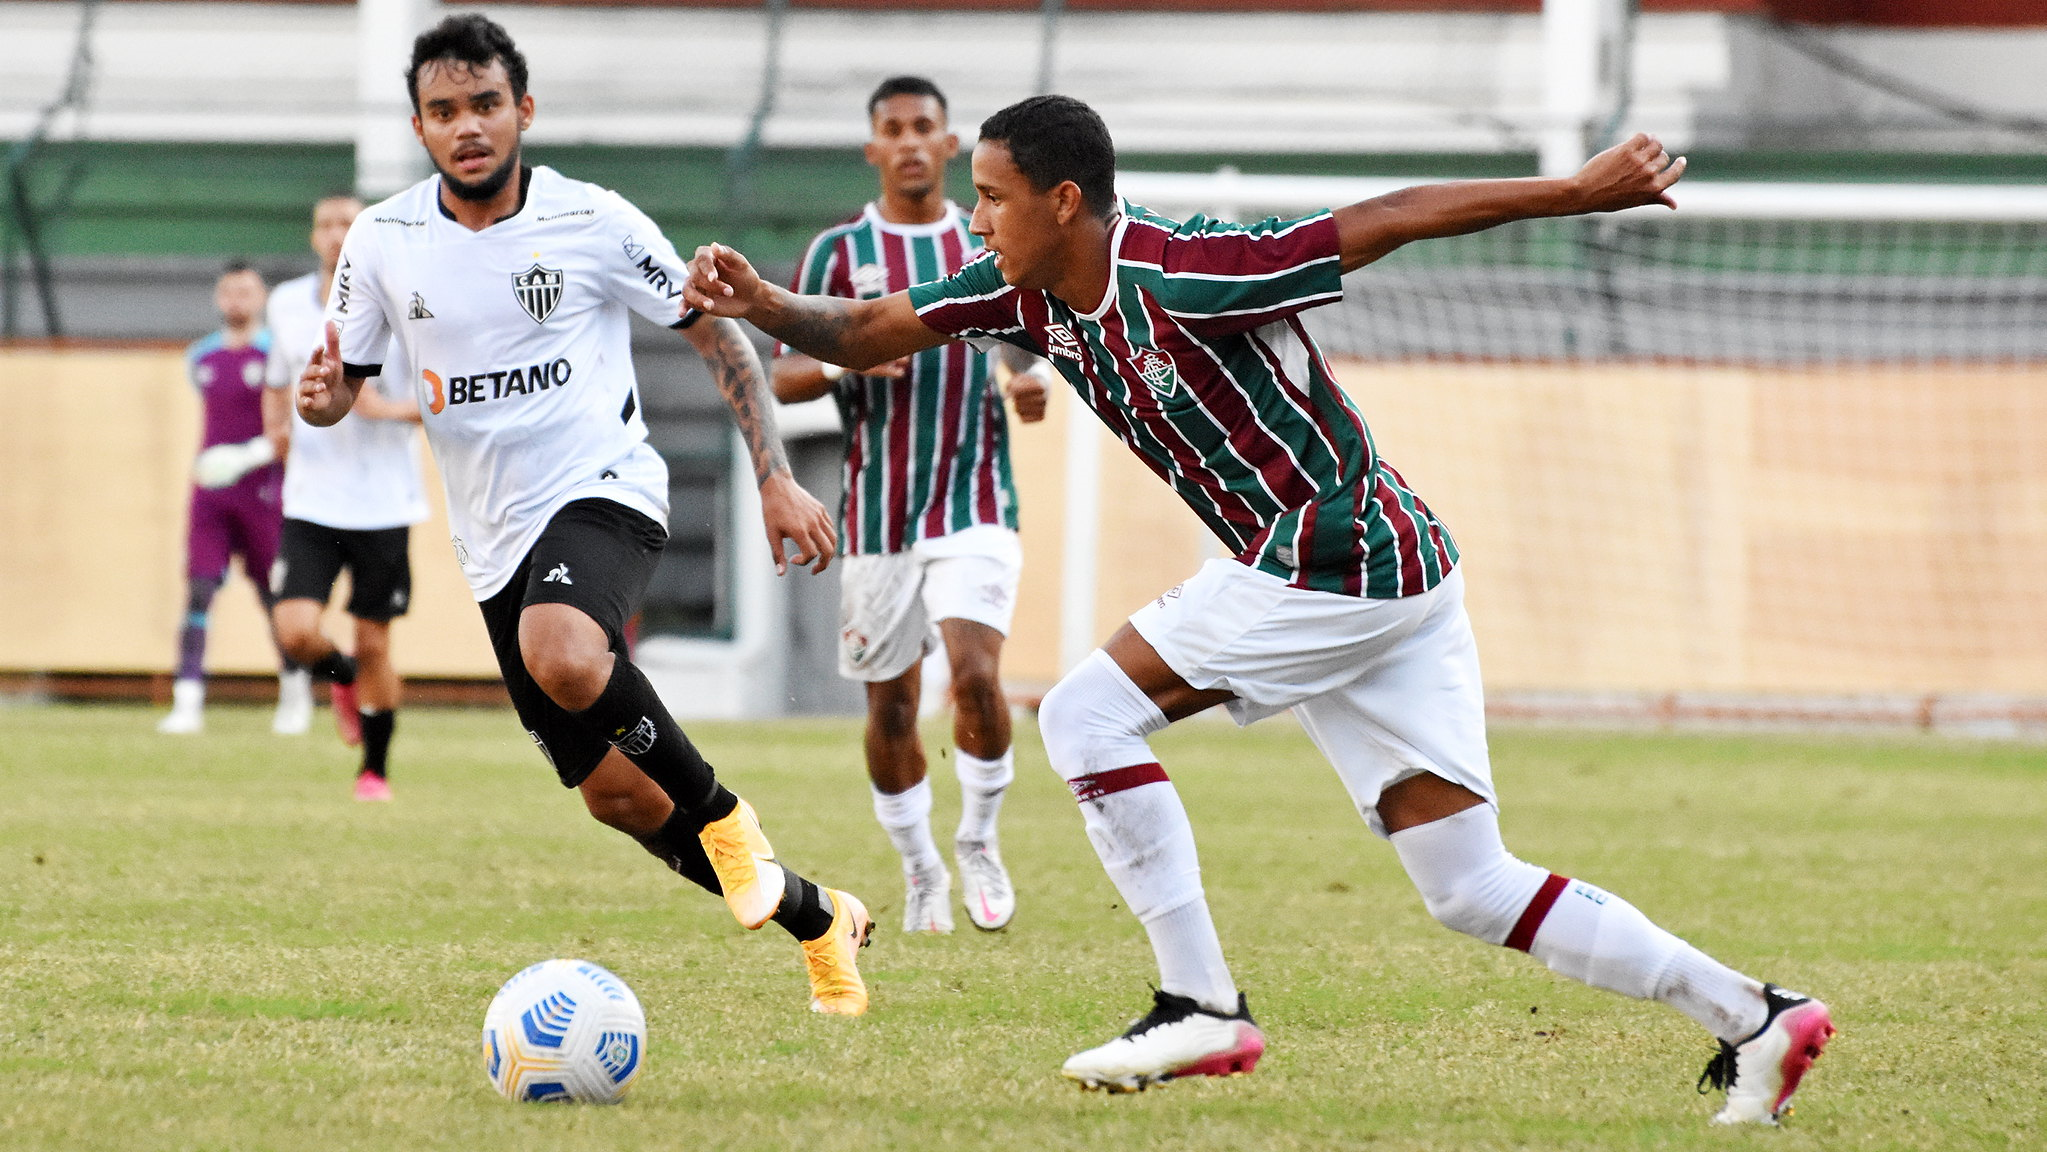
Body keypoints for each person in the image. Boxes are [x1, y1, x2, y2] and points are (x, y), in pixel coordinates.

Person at [683, 95, 1835, 1120]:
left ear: (1063, 200)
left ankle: (1200, 1002)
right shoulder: (1019, 294)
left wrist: (1578, 191)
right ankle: (1755, 1017)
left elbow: (1385, 218)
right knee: (1470, 888)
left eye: (990, 198)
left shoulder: (1186, 268)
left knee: (1083, 717)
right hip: (1390, 577)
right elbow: (867, 329)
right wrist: (764, 301)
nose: (973, 219)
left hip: (1330, 561)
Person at [296, 14, 872, 1013]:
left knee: (562, 653)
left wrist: (773, 473)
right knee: (616, 797)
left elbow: (716, 338)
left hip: (603, 490)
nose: (467, 126)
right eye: (443, 112)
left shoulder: (593, 219)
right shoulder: (383, 241)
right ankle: (817, 917)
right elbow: (343, 377)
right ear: (421, 126)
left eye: (484, 104)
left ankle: (727, 821)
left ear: (522, 109)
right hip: (492, 542)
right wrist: (324, 400)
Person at [771, 76, 1051, 935]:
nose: (908, 143)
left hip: (974, 498)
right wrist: (843, 360)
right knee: (891, 707)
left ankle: (977, 839)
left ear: (949, 142)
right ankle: (919, 866)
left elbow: (1022, 342)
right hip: (878, 517)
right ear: (872, 149)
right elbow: (783, 375)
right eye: (891, 129)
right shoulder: (836, 254)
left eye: (923, 127)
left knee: (973, 675)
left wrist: (1028, 381)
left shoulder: (988, 236)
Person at [264, 193, 429, 800]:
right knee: (296, 631)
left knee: (375, 640)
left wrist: (385, 409)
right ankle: (342, 679)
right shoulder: (284, 305)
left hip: (385, 504)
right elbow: (278, 383)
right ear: (313, 236)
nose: (338, 235)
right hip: (311, 501)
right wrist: (276, 429)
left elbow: (442, 395)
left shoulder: (402, 305)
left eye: (349, 225)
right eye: (327, 224)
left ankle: (374, 771)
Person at [159, 263, 305, 736]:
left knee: (273, 596)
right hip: (210, 495)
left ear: (260, 297)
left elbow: (290, 426)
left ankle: (295, 693)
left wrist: (248, 456)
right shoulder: (200, 357)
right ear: (219, 298)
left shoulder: (274, 353)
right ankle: (187, 701)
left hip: (262, 493)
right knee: (199, 589)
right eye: (229, 292)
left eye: (246, 291)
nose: (237, 300)